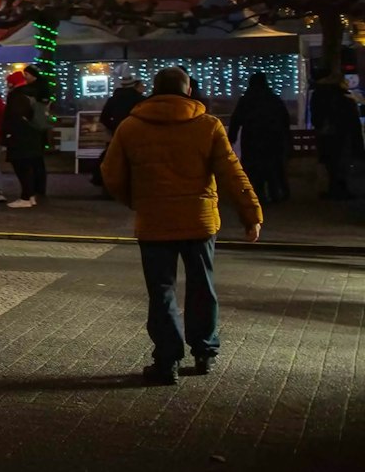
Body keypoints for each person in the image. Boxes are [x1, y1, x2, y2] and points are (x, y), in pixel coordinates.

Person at [100, 67, 262, 386]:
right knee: (202, 285)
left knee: (161, 290)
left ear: (153, 92)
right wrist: (251, 214)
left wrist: (136, 200)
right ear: (188, 91)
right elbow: (232, 173)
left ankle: (167, 359)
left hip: (154, 220)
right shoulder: (208, 125)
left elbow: (111, 172)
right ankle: (204, 352)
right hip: (199, 220)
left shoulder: (130, 127)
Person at [228, 72, 294, 206]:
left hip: (252, 138)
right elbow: (284, 120)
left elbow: (236, 119)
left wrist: (231, 138)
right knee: (273, 167)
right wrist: (286, 139)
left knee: (254, 168)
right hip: (273, 138)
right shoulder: (274, 99)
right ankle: (275, 193)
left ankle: (258, 194)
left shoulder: (246, 100)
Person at [309, 78, 363, 200]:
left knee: (331, 164)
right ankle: (339, 189)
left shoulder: (319, 98)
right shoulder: (346, 101)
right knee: (340, 164)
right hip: (342, 137)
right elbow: (353, 124)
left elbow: (316, 119)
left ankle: (332, 189)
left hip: (328, 137)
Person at [4, 85, 48, 208]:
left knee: (22, 168)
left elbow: (14, 117)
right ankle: (31, 195)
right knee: (30, 168)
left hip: (20, 138)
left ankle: (25, 197)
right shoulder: (32, 96)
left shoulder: (16, 97)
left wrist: (6, 134)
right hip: (33, 137)